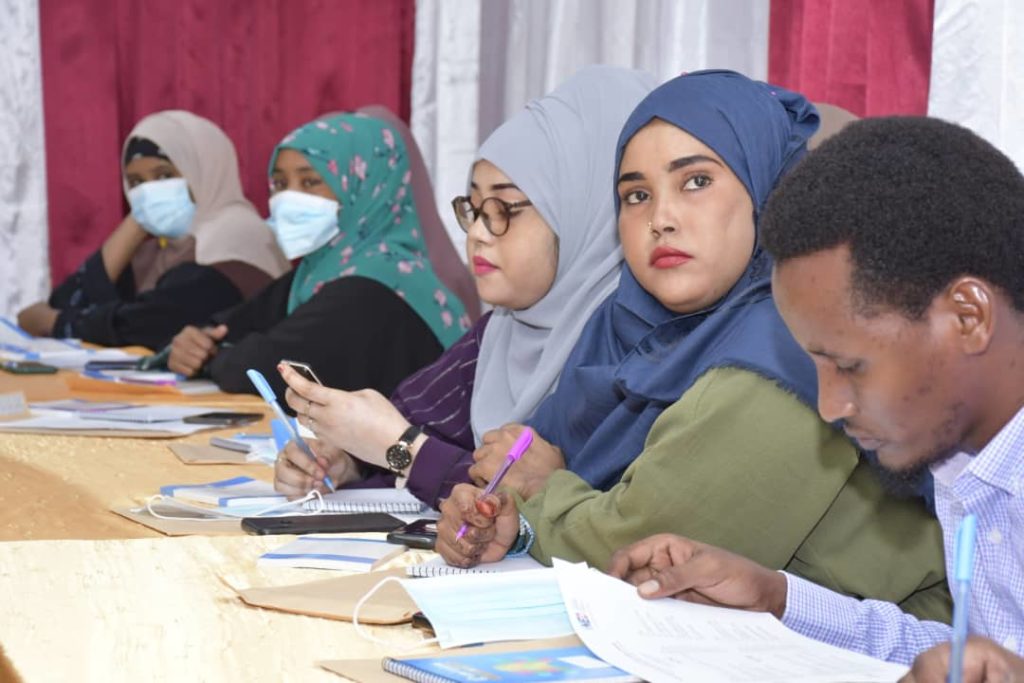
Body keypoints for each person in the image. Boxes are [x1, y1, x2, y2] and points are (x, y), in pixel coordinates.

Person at [434, 71, 950, 624]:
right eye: (636, 195)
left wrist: (539, 490)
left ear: (765, 193)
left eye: (696, 182)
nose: (661, 219)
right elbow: (547, 485)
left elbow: (643, 551)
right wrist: (504, 518)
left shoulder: (792, 350)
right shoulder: (623, 335)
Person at [606, 117, 1024, 674]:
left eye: (851, 366)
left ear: (968, 317)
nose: (831, 406)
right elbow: (968, 658)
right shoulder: (965, 458)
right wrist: (774, 599)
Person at [272, 66, 657, 505]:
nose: (476, 232)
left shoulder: (631, 349)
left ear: (582, 212)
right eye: (473, 207)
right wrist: (345, 460)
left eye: (504, 207)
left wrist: (400, 450)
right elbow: (415, 423)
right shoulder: (500, 332)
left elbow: (570, 511)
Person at [167, 111, 470, 398]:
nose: (288, 198)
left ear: (363, 186)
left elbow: (268, 369)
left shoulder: (376, 283)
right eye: (280, 184)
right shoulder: (323, 269)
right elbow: (228, 326)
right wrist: (195, 342)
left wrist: (211, 357)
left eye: (310, 182)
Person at [17, 110, 290, 350]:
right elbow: (67, 301)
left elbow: (152, 323)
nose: (150, 191)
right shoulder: (156, 251)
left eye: (164, 176)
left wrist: (52, 323)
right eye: (136, 182)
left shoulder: (239, 236)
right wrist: (136, 223)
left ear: (204, 170)